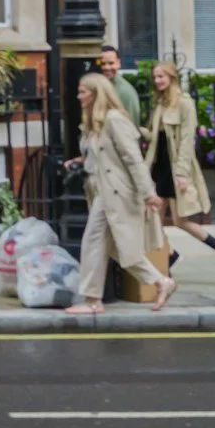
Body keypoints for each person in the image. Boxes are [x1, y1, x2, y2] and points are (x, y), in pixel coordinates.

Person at [64, 71, 174, 315]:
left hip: (117, 193)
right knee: (116, 248)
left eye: (83, 91)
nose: (78, 95)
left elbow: (133, 160)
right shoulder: (94, 122)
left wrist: (148, 193)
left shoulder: (114, 119)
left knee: (93, 241)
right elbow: (99, 156)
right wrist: (79, 161)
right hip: (100, 191)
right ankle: (161, 282)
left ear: (96, 94)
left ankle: (93, 300)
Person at [146, 60, 215, 281]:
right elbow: (154, 137)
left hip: (174, 167)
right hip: (159, 166)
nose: (158, 80)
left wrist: (182, 173)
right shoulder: (160, 104)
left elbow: (188, 139)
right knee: (153, 220)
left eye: (161, 76)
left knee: (181, 222)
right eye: (155, 77)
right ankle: (169, 255)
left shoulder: (185, 103)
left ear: (171, 77)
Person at [96, 46, 142, 122]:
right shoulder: (97, 86)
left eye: (111, 63)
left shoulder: (126, 92)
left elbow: (132, 124)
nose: (107, 67)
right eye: (102, 63)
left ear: (118, 63)